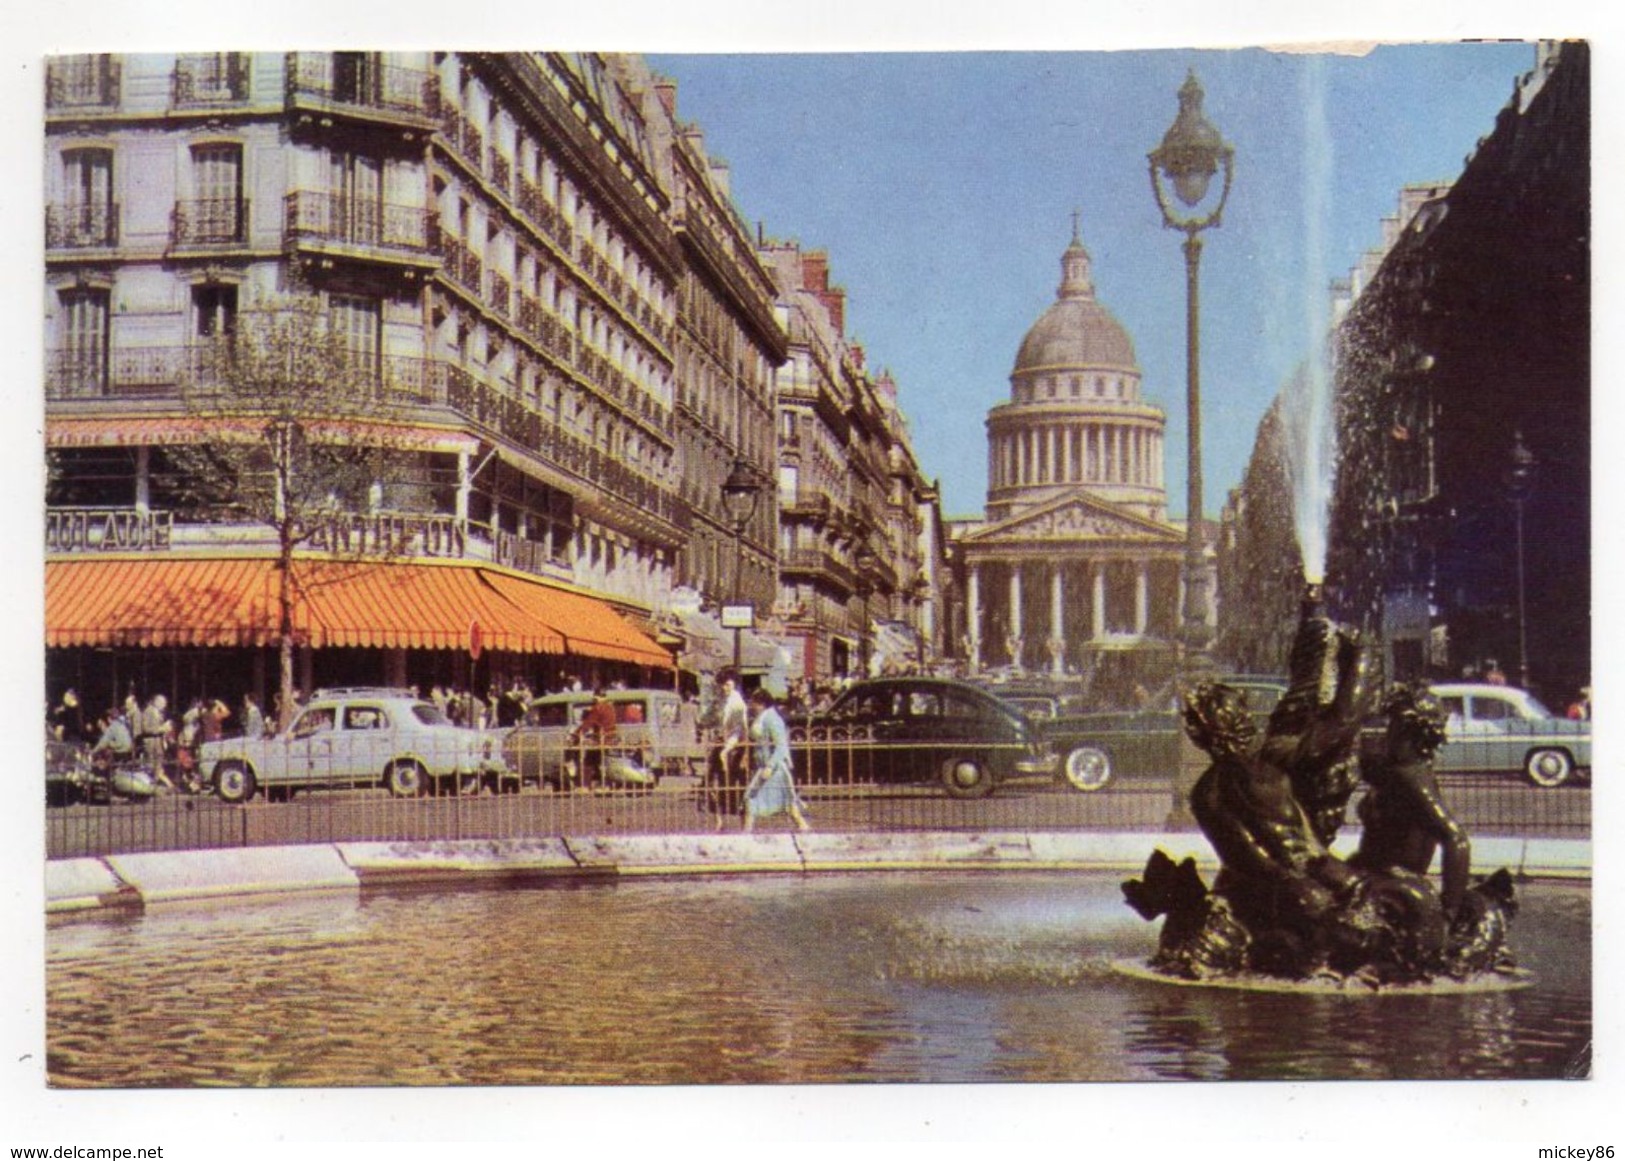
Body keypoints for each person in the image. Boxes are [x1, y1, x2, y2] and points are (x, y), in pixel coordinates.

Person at [1350, 683, 1471, 919]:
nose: (1386, 731)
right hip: (1371, 870)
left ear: (1407, 730)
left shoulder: (1410, 777)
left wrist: (1450, 910)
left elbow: (1456, 839)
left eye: (1393, 724)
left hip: (1387, 881)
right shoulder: (1395, 770)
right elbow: (1366, 766)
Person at [744, 688, 809, 833]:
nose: (751, 706)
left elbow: (781, 746)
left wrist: (770, 766)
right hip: (764, 766)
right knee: (785, 802)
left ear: (761, 703)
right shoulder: (762, 717)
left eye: (753, 702)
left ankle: (746, 834)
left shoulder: (772, 718)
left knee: (752, 798)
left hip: (775, 768)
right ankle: (803, 826)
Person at [701, 669, 750, 829]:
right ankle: (719, 823)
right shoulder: (721, 700)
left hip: (736, 748)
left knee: (737, 788)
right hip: (721, 744)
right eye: (722, 685)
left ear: (734, 684)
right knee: (714, 785)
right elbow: (711, 721)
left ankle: (744, 825)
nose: (724, 688)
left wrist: (726, 750)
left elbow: (739, 729)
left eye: (728, 685)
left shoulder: (737, 703)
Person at [572, 687, 618, 790]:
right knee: (601, 763)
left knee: (589, 761)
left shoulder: (598, 708)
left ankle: (584, 786)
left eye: (595, 697)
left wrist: (576, 734)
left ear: (597, 697)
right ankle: (604, 784)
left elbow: (588, 723)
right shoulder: (610, 707)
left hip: (601, 739)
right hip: (611, 737)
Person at [138, 693, 174, 789]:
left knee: (158, 765)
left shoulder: (159, 713)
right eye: (163, 703)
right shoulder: (148, 711)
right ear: (156, 702)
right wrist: (161, 729)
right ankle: (165, 785)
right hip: (151, 743)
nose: (165, 705)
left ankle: (159, 785)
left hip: (158, 743)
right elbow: (145, 728)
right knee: (152, 766)